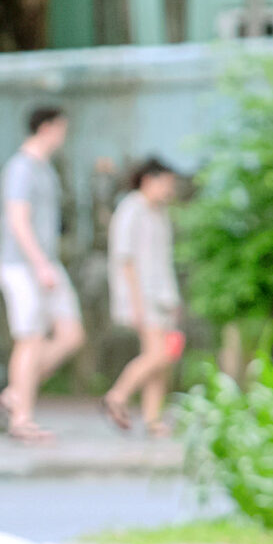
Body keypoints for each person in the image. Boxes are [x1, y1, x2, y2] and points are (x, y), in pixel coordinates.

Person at [0, 106, 82, 443]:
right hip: (22, 265)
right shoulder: (21, 168)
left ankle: (15, 393)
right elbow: (17, 220)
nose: (64, 136)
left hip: (46, 262)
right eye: (61, 129)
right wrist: (40, 264)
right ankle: (22, 419)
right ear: (46, 128)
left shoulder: (45, 169)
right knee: (30, 338)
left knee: (71, 334)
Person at [104, 158, 184, 437]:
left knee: (163, 359)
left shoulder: (160, 213)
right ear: (149, 180)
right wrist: (134, 302)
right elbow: (124, 258)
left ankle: (153, 419)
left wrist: (173, 299)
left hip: (162, 296)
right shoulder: (131, 209)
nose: (169, 190)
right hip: (142, 295)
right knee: (157, 355)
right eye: (166, 183)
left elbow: (164, 261)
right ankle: (117, 395)